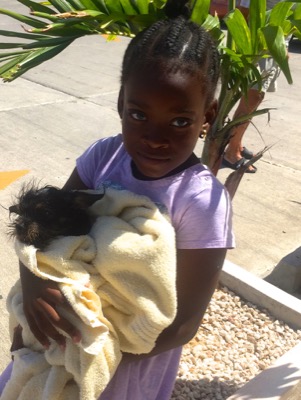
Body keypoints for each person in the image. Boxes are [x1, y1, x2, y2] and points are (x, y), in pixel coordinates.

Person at [0, 1, 235, 399]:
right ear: (120, 102)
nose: (155, 137)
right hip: (55, 347)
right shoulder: (104, 157)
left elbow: (183, 324)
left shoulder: (199, 201)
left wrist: (92, 357)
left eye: (180, 121)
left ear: (207, 115)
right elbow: (44, 221)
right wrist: (34, 282)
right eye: (138, 115)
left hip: (122, 368)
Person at [222, 0, 289, 173]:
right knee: (252, 98)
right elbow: (242, 11)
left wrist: (283, 46)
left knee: (256, 98)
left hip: (274, 46)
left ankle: (236, 142)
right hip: (257, 48)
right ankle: (231, 152)